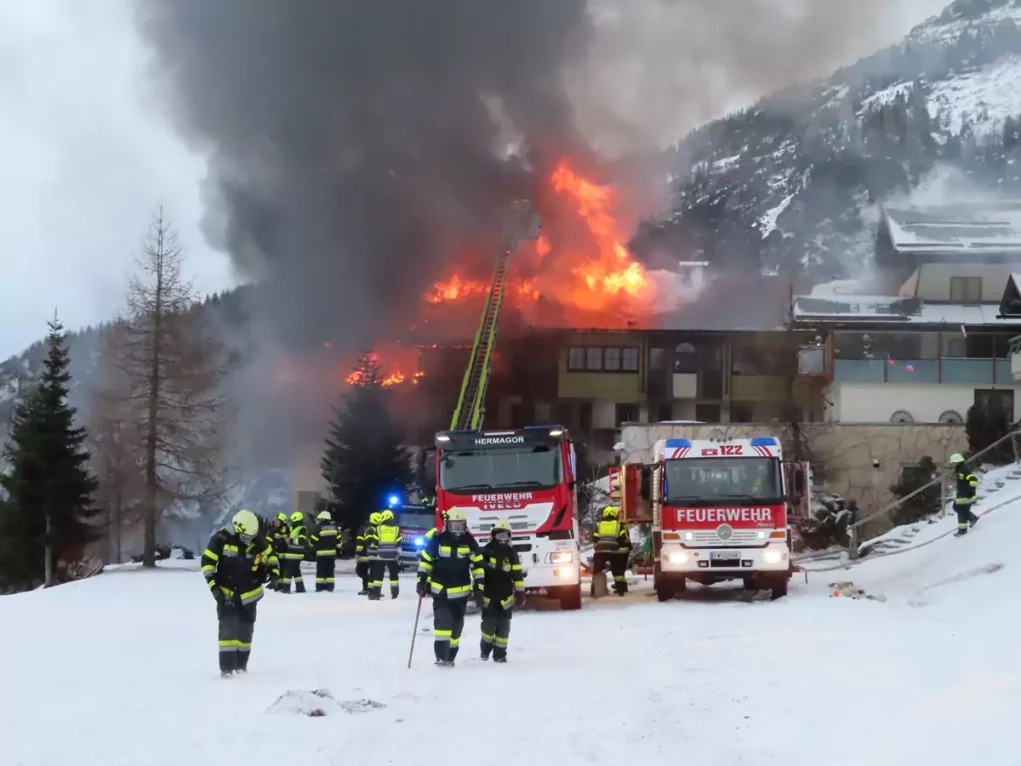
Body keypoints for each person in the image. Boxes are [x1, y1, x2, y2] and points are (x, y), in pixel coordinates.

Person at [200, 509, 279, 677]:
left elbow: (271, 556)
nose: (248, 541)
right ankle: (227, 669)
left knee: (245, 632)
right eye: (245, 537)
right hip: (226, 595)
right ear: (237, 529)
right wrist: (215, 589)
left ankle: (241, 666)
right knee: (228, 633)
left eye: (251, 537)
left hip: (250, 595)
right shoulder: (220, 540)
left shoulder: (257, 539)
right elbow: (207, 564)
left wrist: (274, 573)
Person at [416, 508, 484, 666]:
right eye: (453, 526)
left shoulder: (470, 542)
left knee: (457, 626)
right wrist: (422, 581)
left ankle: (451, 656)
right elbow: (426, 561)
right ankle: (441, 656)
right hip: (441, 591)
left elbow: (478, 567)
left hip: (461, 594)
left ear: (465, 526)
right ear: (447, 525)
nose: (457, 530)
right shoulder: (438, 540)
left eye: (460, 526)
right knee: (442, 622)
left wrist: (479, 587)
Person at [479, 519, 525, 663]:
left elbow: (517, 574)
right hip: (489, 597)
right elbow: (478, 573)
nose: (503, 539)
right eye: (500, 536)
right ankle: (485, 649)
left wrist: (520, 593)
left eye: (505, 536)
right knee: (488, 627)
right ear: (493, 536)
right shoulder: (486, 551)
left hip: (506, 597)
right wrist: (477, 591)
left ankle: (500, 655)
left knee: (504, 629)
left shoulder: (511, 553)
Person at [591, 505, 631, 596]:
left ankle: (594, 590)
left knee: (597, 571)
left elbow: (595, 538)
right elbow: (624, 539)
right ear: (614, 514)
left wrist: (597, 549)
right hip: (615, 551)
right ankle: (620, 590)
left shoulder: (599, 525)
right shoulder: (619, 525)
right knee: (617, 571)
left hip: (600, 551)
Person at [370, 509, 401, 600]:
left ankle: (376, 594)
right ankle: (394, 594)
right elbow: (399, 542)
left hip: (381, 555)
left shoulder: (379, 529)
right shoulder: (396, 529)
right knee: (394, 575)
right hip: (393, 556)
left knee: (378, 575)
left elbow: (374, 542)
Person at [949, 453, 980, 535]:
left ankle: (962, 530)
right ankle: (972, 518)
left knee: (961, 511)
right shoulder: (959, 470)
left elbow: (973, 479)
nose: (952, 464)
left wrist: (970, 491)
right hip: (962, 495)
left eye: (953, 463)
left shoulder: (963, 470)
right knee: (957, 508)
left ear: (958, 462)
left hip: (966, 496)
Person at [280, 511, 308, 593]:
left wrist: (290, 540)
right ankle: (300, 588)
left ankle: (286, 589)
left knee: (287, 571)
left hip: (295, 554)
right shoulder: (294, 529)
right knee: (296, 571)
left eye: (292, 521)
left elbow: (302, 541)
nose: (291, 523)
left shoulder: (302, 529)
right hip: (294, 554)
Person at [311, 510, 339, 592]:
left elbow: (313, 540)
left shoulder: (319, 527)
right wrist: (338, 550)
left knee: (321, 571)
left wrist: (312, 547)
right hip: (332, 553)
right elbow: (339, 540)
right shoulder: (335, 527)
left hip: (321, 553)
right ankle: (330, 586)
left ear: (322, 519)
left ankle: (320, 587)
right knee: (330, 570)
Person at [362, 512, 382, 598]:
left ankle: (372, 589)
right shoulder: (371, 530)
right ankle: (372, 590)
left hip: (375, 553)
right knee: (374, 572)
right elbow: (369, 542)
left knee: (374, 572)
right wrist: (378, 544)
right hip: (373, 553)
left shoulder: (374, 529)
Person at [354, 514, 375, 595]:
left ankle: (366, 588)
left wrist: (358, 553)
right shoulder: (375, 529)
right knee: (371, 572)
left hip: (364, 555)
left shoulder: (363, 529)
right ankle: (372, 588)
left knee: (360, 571)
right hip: (373, 554)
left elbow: (360, 543)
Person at [270, 512, 289, 591]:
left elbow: (287, 542)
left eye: (278, 521)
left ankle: (283, 586)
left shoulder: (286, 530)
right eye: (275, 521)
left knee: (283, 571)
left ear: (282, 522)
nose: (275, 522)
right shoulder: (273, 530)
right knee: (277, 571)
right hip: (276, 554)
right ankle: (277, 586)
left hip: (284, 555)